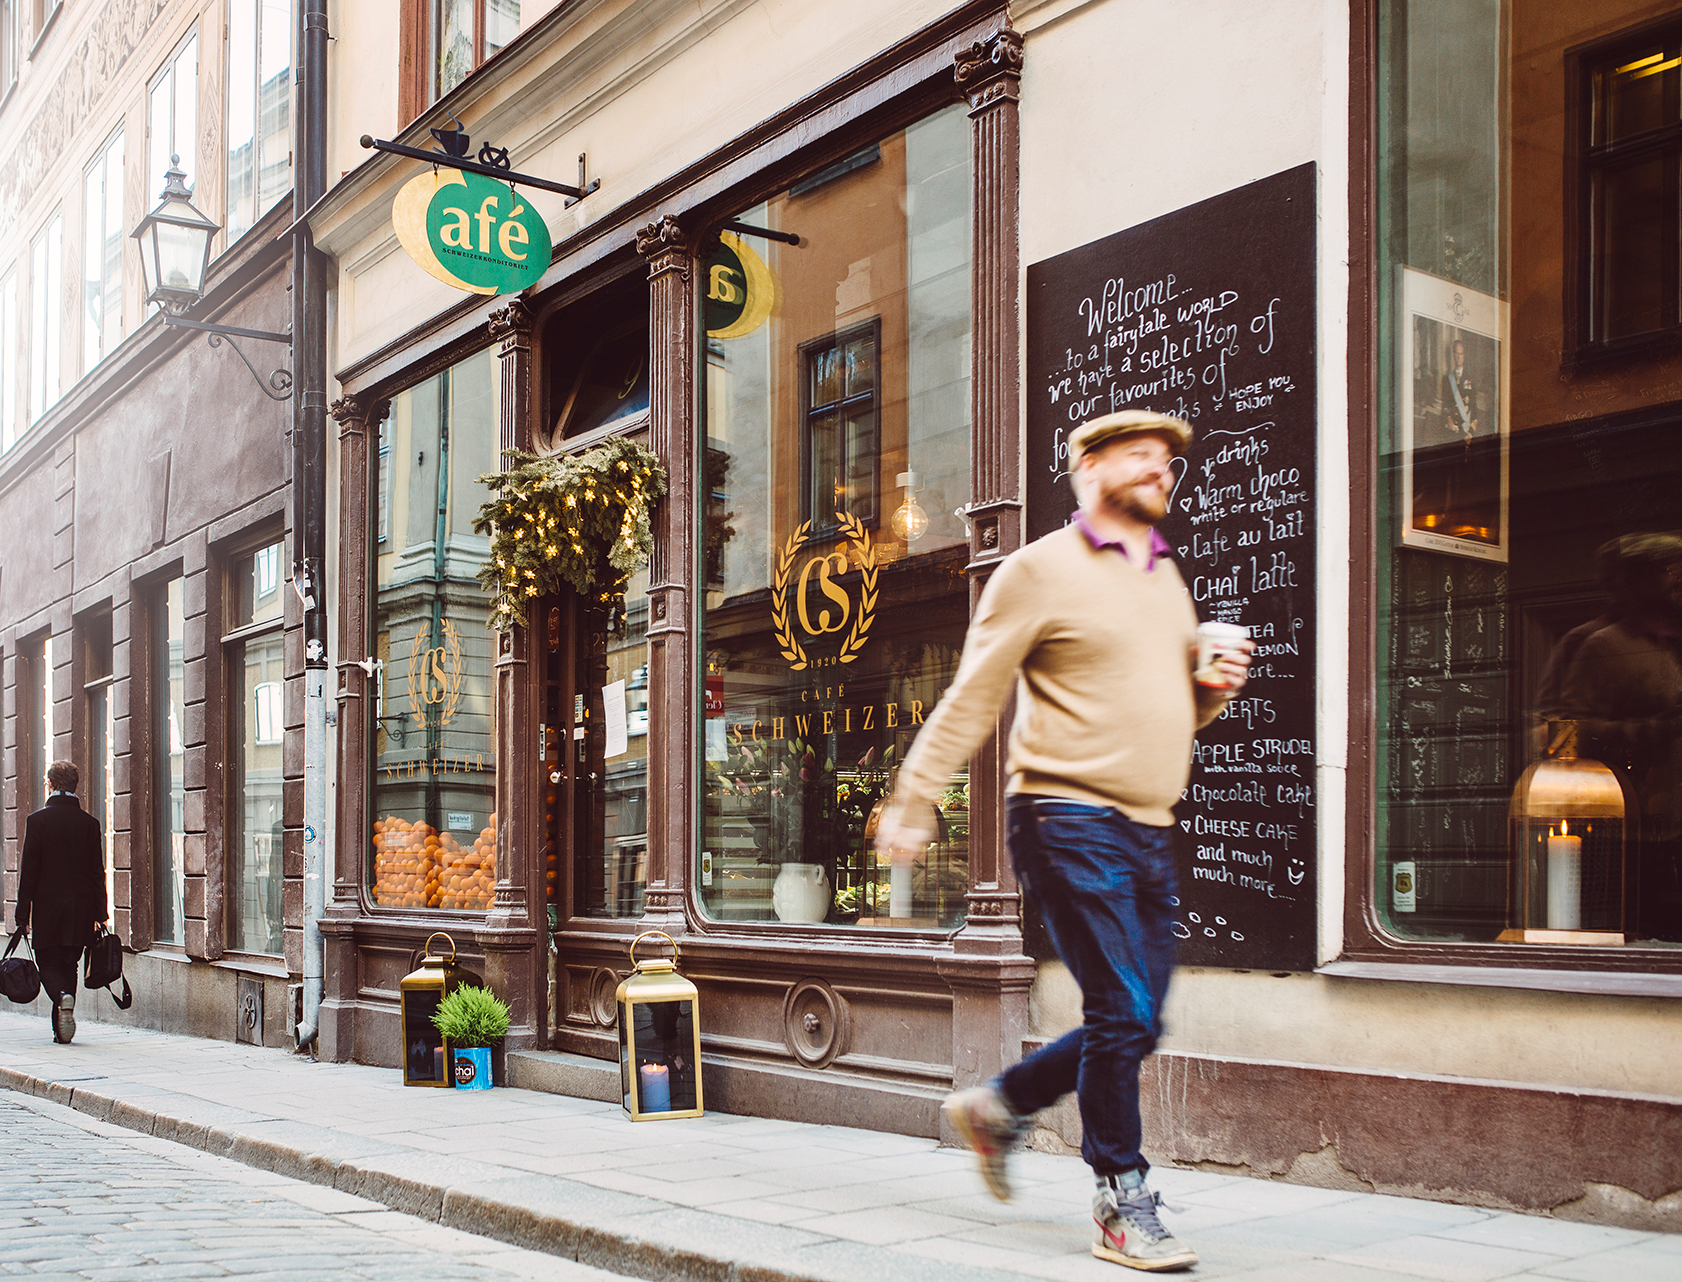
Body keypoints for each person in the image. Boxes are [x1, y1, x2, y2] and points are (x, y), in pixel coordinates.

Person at [874, 409, 1251, 1272]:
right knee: (1122, 1012)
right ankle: (1122, 1199)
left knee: (1139, 1019)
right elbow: (975, 693)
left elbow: (1176, 714)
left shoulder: (1165, 575)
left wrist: (1212, 691)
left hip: (1148, 827)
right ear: (1089, 469)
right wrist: (915, 794)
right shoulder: (1038, 569)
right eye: (1140, 455)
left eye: (1168, 460)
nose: (1160, 469)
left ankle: (1001, 1105)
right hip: (1065, 815)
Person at [14, 761, 109, 1044]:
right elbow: (97, 872)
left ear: (50, 784)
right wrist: (100, 913)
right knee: (70, 964)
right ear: (76, 786)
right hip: (80, 909)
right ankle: (61, 1032)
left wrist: (22, 916)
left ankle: (61, 997)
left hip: (47, 909)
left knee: (47, 962)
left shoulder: (37, 821)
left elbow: (29, 872)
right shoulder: (90, 824)